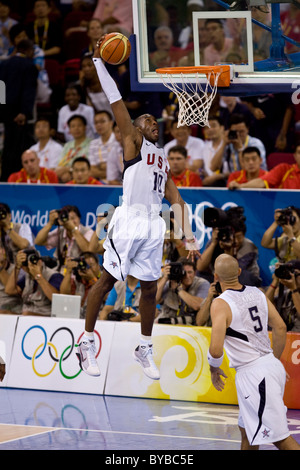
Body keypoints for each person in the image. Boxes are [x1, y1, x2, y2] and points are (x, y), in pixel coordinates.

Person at [75, 44, 200, 380]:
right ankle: (86, 341)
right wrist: (100, 62)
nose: (153, 122)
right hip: (129, 219)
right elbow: (115, 97)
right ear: (137, 125)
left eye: (154, 120)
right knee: (107, 280)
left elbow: (177, 200)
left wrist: (189, 237)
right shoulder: (132, 139)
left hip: (153, 226)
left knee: (148, 287)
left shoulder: (162, 159)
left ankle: (144, 346)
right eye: (147, 119)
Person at [208, 253, 300, 450]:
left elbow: (215, 351)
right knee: (248, 433)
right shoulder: (258, 292)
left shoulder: (220, 303)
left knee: (280, 438)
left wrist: (213, 370)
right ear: (239, 272)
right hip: (269, 366)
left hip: (254, 374)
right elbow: (281, 328)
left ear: (216, 276)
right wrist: (271, 363)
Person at [0, 39, 38, 181]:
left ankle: (4, 180)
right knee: (19, 148)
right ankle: (18, 179)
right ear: (28, 51)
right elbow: (29, 91)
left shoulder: (4, 64)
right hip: (19, 115)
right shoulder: (29, 66)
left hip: (5, 113)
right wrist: (24, 112)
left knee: (7, 147)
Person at [5, 248, 63, 317]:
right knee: (5, 312)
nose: (29, 268)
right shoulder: (27, 276)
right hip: (27, 314)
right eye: (25, 266)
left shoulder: (54, 276)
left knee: (26, 314)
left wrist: (38, 276)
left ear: (40, 261)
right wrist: (17, 267)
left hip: (45, 316)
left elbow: (57, 299)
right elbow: (9, 290)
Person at [34, 205, 94, 271]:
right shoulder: (61, 231)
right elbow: (38, 241)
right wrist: (50, 223)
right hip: (60, 272)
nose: (71, 221)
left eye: (73, 218)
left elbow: (87, 250)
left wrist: (73, 229)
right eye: (68, 218)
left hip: (80, 272)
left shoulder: (88, 232)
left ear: (79, 218)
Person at [155, 258, 210, 325]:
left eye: (190, 272)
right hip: (166, 322)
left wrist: (179, 289)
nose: (187, 276)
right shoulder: (170, 283)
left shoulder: (202, 284)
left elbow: (197, 305)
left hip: (190, 325)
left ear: (195, 272)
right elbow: (153, 300)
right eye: (183, 272)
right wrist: (165, 278)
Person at [229, 143, 300, 190]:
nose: (251, 163)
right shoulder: (284, 169)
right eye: (299, 152)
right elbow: (261, 182)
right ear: (294, 155)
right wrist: (241, 186)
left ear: (260, 160)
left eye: (254, 159)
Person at [60, 251, 101, 318]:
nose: (88, 268)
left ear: (98, 266)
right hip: (76, 318)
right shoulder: (76, 281)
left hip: (96, 319)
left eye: (91, 265)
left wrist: (92, 279)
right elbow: (63, 293)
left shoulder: (103, 280)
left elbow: (106, 296)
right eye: (85, 265)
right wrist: (69, 271)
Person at [266, 260, 300, 332]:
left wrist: (293, 289)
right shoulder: (286, 294)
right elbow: (266, 305)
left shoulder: (292, 291)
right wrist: (275, 281)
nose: (292, 276)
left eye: (295, 273)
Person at [56, 114, 92, 183]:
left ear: (85, 127)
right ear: (69, 130)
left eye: (79, 125)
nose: (76, 128)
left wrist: (71, 172)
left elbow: (88, 168)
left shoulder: (92, 144)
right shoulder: (67, 145)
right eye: (73, 126)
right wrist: (68, 171)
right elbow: (58, 167)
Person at [88, 110, 116, 181]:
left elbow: (122, 170)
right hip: (99, 183)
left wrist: (100, 167)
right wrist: (111, 170)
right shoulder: (93, 144)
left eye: (102, 121)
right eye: (96, 123)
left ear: (111, 123)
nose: (99, 125)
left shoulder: (119, 141)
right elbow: (92, 171)